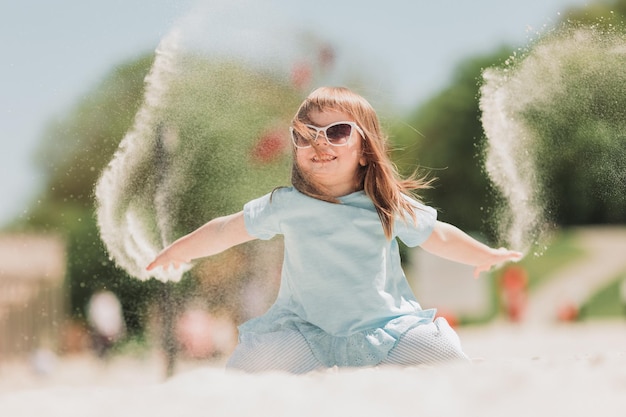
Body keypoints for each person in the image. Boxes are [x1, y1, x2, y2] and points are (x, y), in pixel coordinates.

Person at [146, 86, 522, 373]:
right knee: (249, 364)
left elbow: (437, 235)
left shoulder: (385, 206)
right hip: (307, 334)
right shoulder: (287, 204)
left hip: (385, 331)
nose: (319, 142)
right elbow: (227, 229)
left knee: (441, 351)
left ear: (364, 149)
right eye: (305, 134)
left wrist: (484, 254)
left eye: (338, 132)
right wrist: (181, 249)